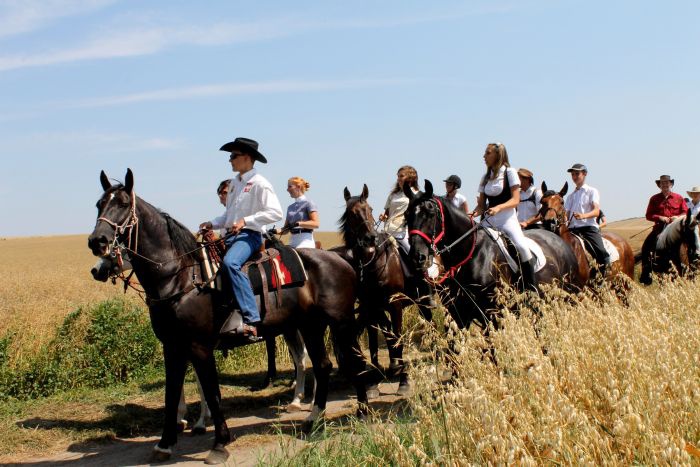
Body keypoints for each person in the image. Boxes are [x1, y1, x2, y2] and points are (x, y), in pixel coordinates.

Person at [199, 137, 283, 339]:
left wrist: (246, 221)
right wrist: (212, 223)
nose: (230, 160)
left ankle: (251, 319)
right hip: (232, 236)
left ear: (247, 157)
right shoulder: (235, 184)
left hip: (250, 236)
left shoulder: (260, 184)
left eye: (233, 156)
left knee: (230, 263)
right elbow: (229, 218)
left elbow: (276, 212)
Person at [471, 143, 538, 292]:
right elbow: (481, 206)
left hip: (507, 220)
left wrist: (499, 207)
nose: (484, 156)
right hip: (488, 221)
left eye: (487, 153)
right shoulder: (485, 177)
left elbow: (515, 200)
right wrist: (472, 214)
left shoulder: (510, 172)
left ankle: (532, 290)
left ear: (498, 155)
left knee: (522, 247)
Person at [564, 163, 610, 283]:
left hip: (588, 228)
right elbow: (566, 215)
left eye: (577, 174)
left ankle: (602, 280)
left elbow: (596, 211)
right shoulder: (570, 197)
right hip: (573, 229)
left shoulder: (592, 191)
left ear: (584, 174)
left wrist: (583, 216)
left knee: (601, 252)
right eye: (573, 174)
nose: (574, 176)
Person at [639, 175, 688, 284]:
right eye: (662, 183)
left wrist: (678, 217)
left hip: (676, 230)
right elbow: (648, 215)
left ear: (671, 184)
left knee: (690, 243)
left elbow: (685, 212)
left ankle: (692, 269)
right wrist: (660, 217)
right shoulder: (654, 198)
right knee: (646, 247)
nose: (665, 185)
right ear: (659, 185)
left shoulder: (679, 198)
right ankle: (646, 274)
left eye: (667, 183)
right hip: (659, 228)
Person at [379, 165, 419, 253]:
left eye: (401, 176)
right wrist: (384, 216)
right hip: (388, 230)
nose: (398, 179)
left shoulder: (416, 194)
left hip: (404, 232)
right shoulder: (393, 195)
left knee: (413, 254)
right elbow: (387, 213)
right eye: (398, 176)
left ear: (410, 178)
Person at [283, 177, 319, 248]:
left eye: (290, 186)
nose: (287, 190)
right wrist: (273, 232)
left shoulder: (309, 203)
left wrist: (299, 223)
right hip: (292, 241)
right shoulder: (290, 207)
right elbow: (285, 230)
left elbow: (316, 224)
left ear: (298, 187)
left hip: (305, 241)